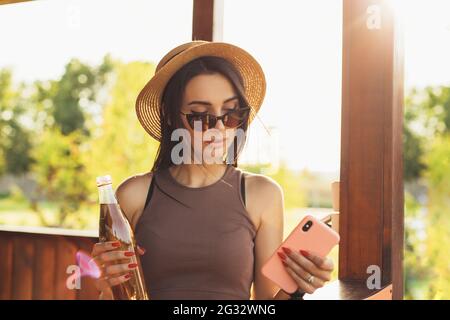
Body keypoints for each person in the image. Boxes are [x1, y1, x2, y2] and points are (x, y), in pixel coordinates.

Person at [90, 41, 334, 300]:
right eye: (200, 116)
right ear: (171, 116)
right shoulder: (133, 195)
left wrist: (297, 288)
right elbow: (118, 294)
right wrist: (107, 286)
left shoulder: (263, 195)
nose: (219, 130)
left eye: (231, 114)